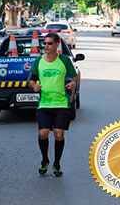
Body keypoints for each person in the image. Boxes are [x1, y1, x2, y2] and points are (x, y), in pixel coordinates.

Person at [28, 32, 78, 177]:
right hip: (44, 103)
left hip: (61, 103)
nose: (46, 46)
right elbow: (30, 79)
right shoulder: (38, 61)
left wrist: (73, 83)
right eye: (45, 43)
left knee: (58, 134)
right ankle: (45, 160)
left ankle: (57, 163)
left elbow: (74, 75)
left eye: (50, 43)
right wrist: (34, 86)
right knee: (43, 133)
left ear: (57, 45)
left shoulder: (64, 60)